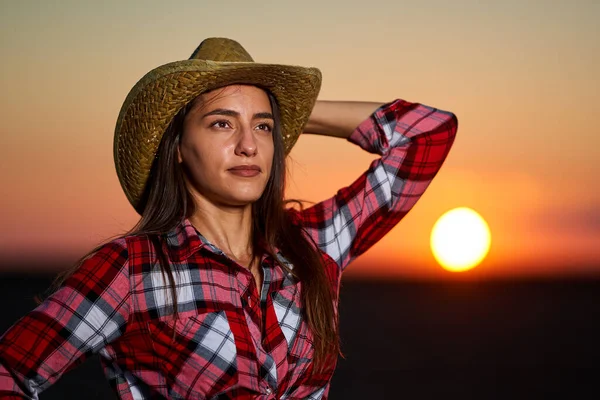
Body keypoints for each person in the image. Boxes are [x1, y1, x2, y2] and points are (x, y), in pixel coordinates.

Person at [0, 37, 457, 399]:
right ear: (177, 146)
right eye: (222, 123)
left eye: (262, 127)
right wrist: (265, 107)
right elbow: (12, 374)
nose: (248, 144)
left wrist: (290, 112)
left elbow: (427, 132)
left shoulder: (313, 244)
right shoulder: (133, 270)